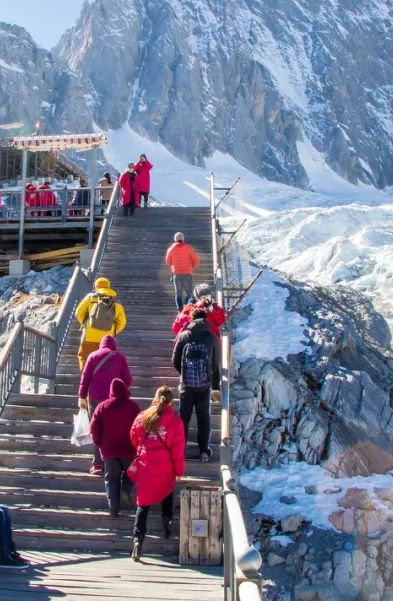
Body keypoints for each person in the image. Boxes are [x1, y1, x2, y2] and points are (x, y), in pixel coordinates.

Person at [129, 386, 185, 561]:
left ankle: (138, 540)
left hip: (146, 464)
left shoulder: (143, 416)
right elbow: (178, 449)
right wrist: (179, 470)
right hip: (166, 465)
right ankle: (166, 524)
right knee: (167, 493)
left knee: (143, 504)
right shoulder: (175, 421)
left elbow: (133, 436)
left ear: (155, 398)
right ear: (171, 402)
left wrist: (142, 447)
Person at [78, 335, 132, 474]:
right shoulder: (119, 357)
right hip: (114, 400)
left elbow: (85, 378)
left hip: (95, 399)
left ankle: (97, 464)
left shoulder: (92, 356)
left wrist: (82, 396)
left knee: (97, 429)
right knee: (113, 429)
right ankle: (112, 461)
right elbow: (127, 379)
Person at [172, 308, 221, 462]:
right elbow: (216, 361)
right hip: (204, 385)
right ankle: (204, 451)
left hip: (186, 385)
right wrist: (207, 375)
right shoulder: (212, 336)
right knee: (204, 418)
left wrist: (185, 374)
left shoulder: (184, 335)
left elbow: (175, 360)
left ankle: (180, 449)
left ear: (191, 319)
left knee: (183, 418)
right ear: (205, 319)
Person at [90, 378, 141, 517]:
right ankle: (125, 488)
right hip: (129, 449)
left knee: (111, 479)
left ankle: (114, 507)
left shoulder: (102, 406)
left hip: (110, 451)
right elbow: (141, 427)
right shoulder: (133, 406)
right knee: (131, 474)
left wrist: (99, 443)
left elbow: (94, 428)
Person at [74, 277, 127, 369]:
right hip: (106, 339)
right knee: (106, 363)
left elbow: (78, 313)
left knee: (84, 359)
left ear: (96, 287)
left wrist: (85, 324)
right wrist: (112, 332)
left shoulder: (90, 298)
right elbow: (122, 322)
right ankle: (102, 380)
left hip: (89, 337)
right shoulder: (117, 302)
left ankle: (87, 380)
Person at [165, 232, 200, 311]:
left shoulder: (171, 249)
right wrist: (191, 268)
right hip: (187, 274)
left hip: (176, 274)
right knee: (189, 293)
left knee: (178, 294)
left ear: (175, 240)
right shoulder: (188, 248)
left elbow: (168, 261)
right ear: (183, 239)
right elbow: (196, 260)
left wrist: (174, 265)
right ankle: (186, 306)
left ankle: (180, 310)